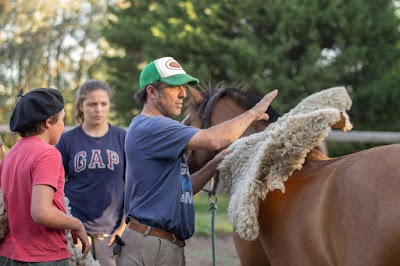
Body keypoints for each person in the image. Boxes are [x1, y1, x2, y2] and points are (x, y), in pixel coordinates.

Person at [116, 56, 278, 265]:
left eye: (183, 87)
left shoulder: (159, 133)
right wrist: (254, 112)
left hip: (160, 243)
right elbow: (214, 139)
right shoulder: (152, 127)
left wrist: (214, 164)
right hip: (150, 245)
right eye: (174, 87)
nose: (183, 93)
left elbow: (182, 190)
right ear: (152, 92)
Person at [0, 88, 90, 265]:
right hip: (43, 256)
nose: (63, 126)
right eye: (62, 119)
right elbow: (41, 212)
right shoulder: (48, 154)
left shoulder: (12, 154)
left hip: (9, 255)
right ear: (49, 122)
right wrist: (76, 224)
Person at [56, 80, 126, 266]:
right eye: (92, 104)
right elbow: (55, 185)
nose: (99, 109)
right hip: (76, 229)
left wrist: (123, 226)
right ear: (81, 106)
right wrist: (66, 222)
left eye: (104, 104)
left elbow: (135, 186)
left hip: (111, 231)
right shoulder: (67, 140)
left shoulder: (122, 138)